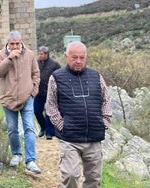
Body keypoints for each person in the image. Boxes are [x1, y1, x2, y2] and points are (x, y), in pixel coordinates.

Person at [46, 41, 112, 188]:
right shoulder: (56, 77)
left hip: (94, 138)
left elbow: (106, 99)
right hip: (70, 139)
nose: (78, 61)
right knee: (70, 176)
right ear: (66, 56)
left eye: (82, 58)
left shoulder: (96, 76)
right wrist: (63, 126)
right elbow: (51, 106)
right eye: (74, 57)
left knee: (94, 180)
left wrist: (105, 122)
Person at [0, 30, 41, 175]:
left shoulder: (30, 54)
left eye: (17, 43)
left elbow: (36, 73)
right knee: (12, 128)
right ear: (8, 43)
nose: (15, 46)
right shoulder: (0, 55)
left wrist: (33, 91)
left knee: (29, 127)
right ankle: (16, 154)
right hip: (8, 98)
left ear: (21, 42)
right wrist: (9, 59)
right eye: (12, 43)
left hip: (26, 97)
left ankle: (30, 160)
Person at [34, 46, 61, 140]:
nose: (40, 56)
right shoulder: (35, 63)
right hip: (38, 92)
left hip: (50, 93)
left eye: (42, 54)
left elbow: (59, 76)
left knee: (49, 112)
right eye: (39, 54)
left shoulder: (54, 64)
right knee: (37, 111)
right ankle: (43, 127)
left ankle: (49, 132)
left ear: (46, 54)